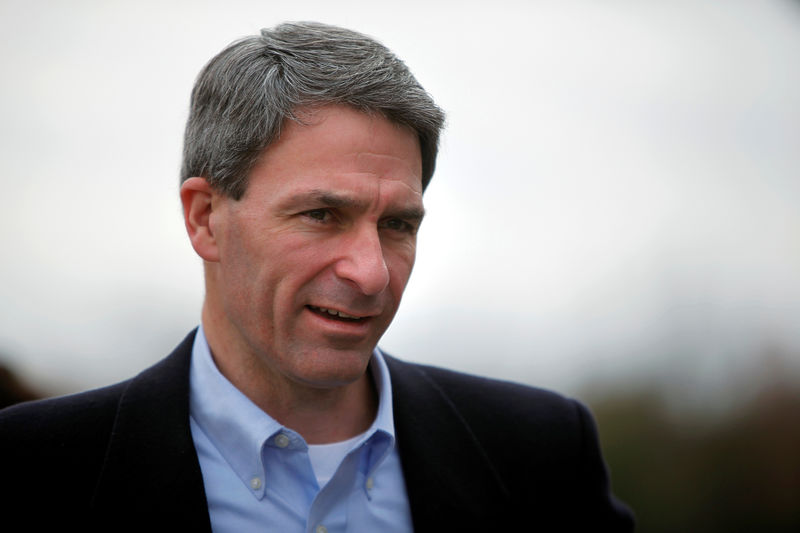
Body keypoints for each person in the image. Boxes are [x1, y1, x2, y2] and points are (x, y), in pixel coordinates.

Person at [0, 22, 633, 531]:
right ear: (205, 219)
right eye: (322, 214)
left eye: (398, 225)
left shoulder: (541, 456)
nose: (371, 273)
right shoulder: (34, 470)